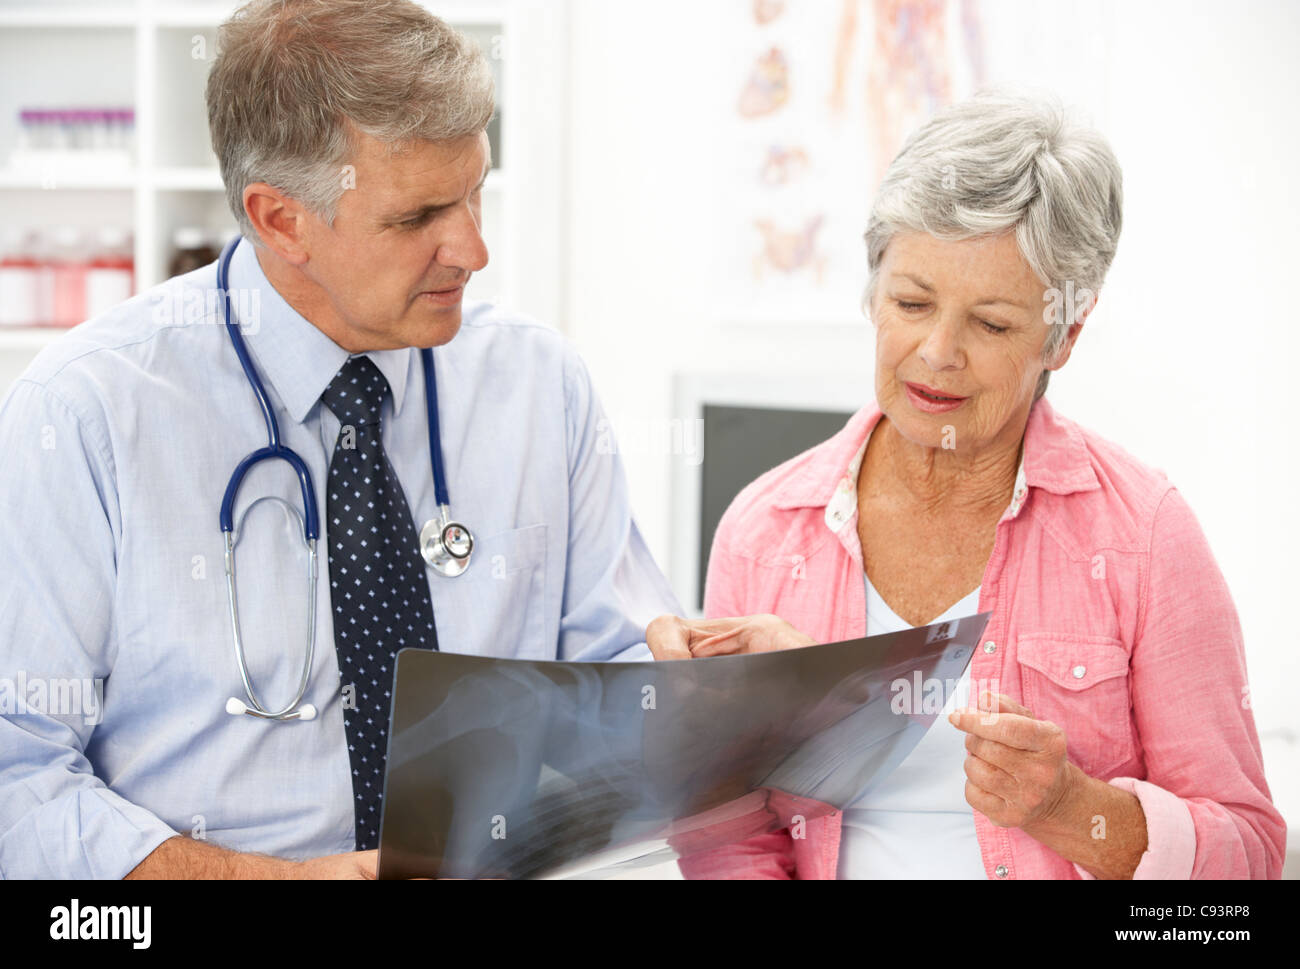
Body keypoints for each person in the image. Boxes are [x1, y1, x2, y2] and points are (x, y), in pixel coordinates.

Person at [0, 0, 679, 879]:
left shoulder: (540, 384)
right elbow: (17, 775)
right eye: (418, 216)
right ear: (281, 220)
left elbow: (613, 672)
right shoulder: (85, 414)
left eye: (474, 191)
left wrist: (721, 696)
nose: (472, 248)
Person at [647, 92, 1285, 879]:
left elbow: (1249, 853)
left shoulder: (1145, 535)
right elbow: (727, 833)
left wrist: (1070, 807)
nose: (937, 352)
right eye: (912, 302)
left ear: (1065, 334)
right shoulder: (767, 528)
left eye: (991, 323)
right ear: (872, 292)